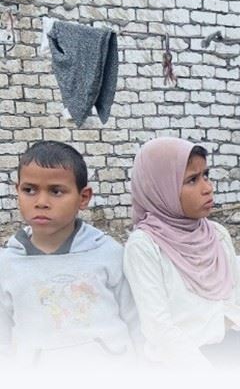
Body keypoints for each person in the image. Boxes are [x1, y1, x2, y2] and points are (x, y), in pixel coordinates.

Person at [123, 137, 240, 368]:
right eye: (192, 180)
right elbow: (159, 327)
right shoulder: (145, 247)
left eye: (206, 175)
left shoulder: (216, 234)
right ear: (160, 188)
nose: (207, 188)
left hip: (236, 357)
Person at [0, 141, 140, 366]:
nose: (41, 202)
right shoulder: (6, 265)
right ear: (17, 191)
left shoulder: (108, 253)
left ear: (83, 197)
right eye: (29, 190)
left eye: (56, 191)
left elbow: (136, 321)